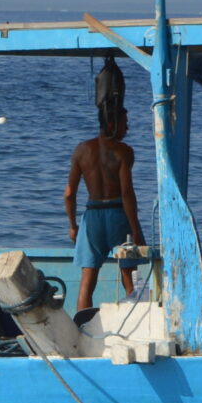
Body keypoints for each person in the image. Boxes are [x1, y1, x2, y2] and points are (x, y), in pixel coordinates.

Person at [63, 108, 144, 317]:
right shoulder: (123, 151)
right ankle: (133, 320)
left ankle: (82, 326)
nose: (127, 128)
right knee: (129, 275)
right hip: (118, 214)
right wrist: (135, 229)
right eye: (124, 123)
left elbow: (69, 194)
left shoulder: (81, 150)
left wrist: (72, 226)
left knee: (87, 280)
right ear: (111, 125)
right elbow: (126, 192)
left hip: (92, 216)